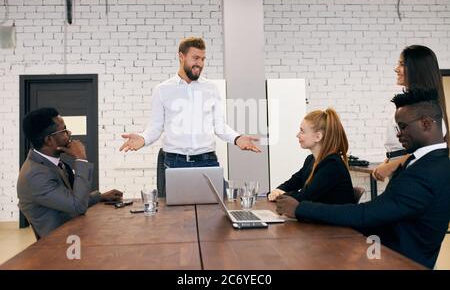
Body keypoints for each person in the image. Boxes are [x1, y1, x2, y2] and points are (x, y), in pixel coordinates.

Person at [276, 89, 450, 269]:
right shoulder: (426, 163)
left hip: (395, 261)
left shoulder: (428, 172)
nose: (398, 134)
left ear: (427, 123)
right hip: (382, 252)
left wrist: (300, 209)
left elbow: (367, 215)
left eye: (402, 127)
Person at [119, 37, 261, 186]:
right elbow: (155, 127)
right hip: (175, 163)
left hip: (207, 161)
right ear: (181, 56)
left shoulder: (211, 89)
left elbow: (219, 126)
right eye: (195, 58)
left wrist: (237, 138)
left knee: (217, 207)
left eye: (203, 59)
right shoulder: (162, 90)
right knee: (175, 209)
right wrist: (143, 139)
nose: (199, 63)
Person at [17, 107, 123, 238]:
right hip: (60, 246)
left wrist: (99, 197)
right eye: (64, 130)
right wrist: (81, 158)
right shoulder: (35, 175)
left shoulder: (53, 164)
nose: (69, 133)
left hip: (74, 232)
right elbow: (77, 206)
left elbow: (71, 201)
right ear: (49, 140)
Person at [373, 45, 448, 181]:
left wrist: (392, 165)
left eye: (402, 64)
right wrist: (388, 162)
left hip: (411, 170)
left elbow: (428, 151)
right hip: (402, 168)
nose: (396, 69)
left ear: (417, 69)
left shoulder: (428, 110)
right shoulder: (410, 106)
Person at [268, 108, 354, 205]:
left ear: (318, 137)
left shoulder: (332, 165)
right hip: (318, 219)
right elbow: (293, 183)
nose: (297, 135)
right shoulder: (310, 160)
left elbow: (305, 197)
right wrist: (278, 190)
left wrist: (281, 195)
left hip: (333, 220)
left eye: (302, 131)